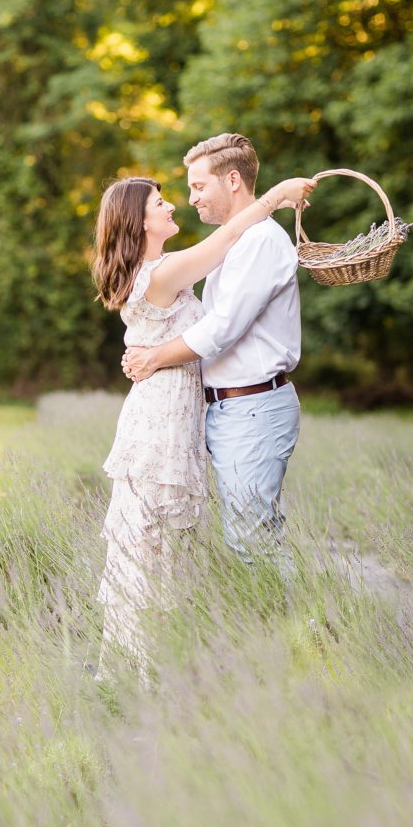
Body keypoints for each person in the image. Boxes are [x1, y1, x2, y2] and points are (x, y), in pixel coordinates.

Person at [92, 170, 315, 682]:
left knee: (156, 538)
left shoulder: (154, 272)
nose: (172, 207)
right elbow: (228, 236)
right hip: (163, 418)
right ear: (139, 223)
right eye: (160, 203)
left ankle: (148, 663)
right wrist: (278, 196)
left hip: (169, 410)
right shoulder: (163, 273)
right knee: (155, 538)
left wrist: (151, 357)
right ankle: (147, 669)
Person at [122, 133, 313, 571]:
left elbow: (222, 329)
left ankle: (303, 634)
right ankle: (274, 627)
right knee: (242, 534)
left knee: (251, 537)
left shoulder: (261, 240)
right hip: (226, 411)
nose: (190, 199)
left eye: (198, 186)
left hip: (253, 406)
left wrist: (154, 357)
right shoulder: (234, 242)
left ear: (232, 181)